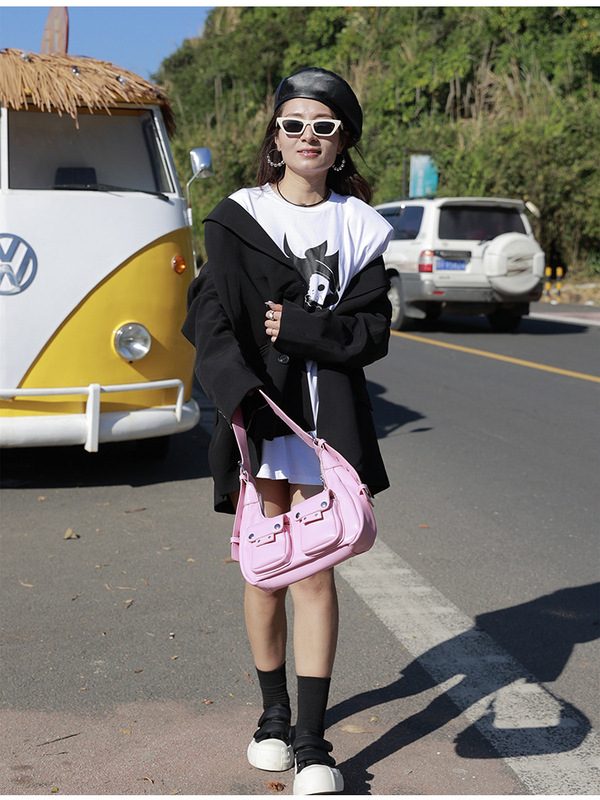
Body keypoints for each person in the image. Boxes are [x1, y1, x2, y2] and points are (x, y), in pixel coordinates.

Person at [182, 66, 393, 795]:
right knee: (266, 570)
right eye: (294, 124)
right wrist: (236, 393)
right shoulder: (237, 218)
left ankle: (311, 741)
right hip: (262, 414)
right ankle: (272, 717)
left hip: (325, 426)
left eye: (324, 127)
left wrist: (302, 329)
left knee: (315, 569)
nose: (308, 136)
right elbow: (206, 317)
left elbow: (372, 331)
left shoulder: (359, 227)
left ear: (342, 142)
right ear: (274, 137)